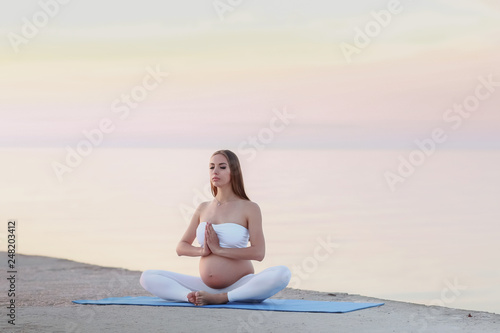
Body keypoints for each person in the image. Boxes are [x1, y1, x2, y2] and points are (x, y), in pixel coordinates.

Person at [140, 149, 291, 306]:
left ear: (234, 171)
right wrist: (202, 251)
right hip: (205, 285)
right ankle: (190, 296)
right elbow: (181, 247)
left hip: (241, 285)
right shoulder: (203, 208)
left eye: (222, 167)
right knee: (148, 276)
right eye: (212, 167)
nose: (215, 171)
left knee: (282, 274)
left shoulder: (249, 208)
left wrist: (219, 250)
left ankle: (224, 297)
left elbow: (259, 253)